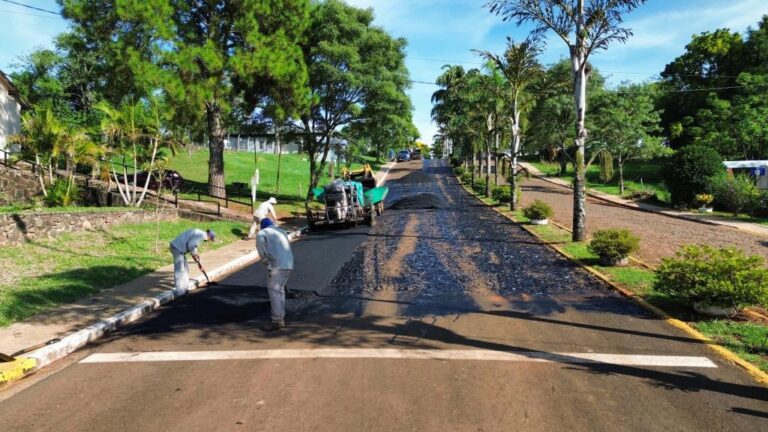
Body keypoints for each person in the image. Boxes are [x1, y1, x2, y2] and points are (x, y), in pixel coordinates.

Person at [256, 218, 294, 331]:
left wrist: (267, 264)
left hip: (277, 265)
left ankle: (277, 320)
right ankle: (281, 315)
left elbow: (262, 251)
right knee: (279, 290)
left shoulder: (262, 233)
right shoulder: (281, 231)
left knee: (273, 290)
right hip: (289, 264)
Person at [170, 228, 215, 293]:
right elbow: (191, 246)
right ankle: (180, 291)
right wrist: (195, 256)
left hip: (180, 249)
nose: (208, 241)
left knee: (186, 269)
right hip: (177, 247)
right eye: (210, 239)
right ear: (209, 236)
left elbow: (193, 247)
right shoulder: (200, 235)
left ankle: (185, 288)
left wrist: (197, 259)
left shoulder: (200, 234)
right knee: (180, 269)